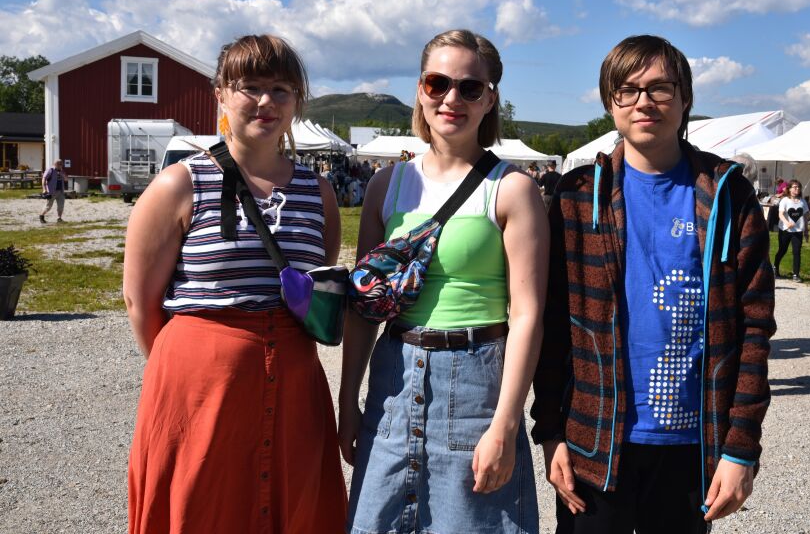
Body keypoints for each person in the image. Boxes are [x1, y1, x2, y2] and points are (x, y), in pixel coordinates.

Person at [531, 35, 776, 533]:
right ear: (610, 102)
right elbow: (555, 326)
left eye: (660, 88)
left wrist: (741, 448)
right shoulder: (577, 197)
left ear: (685, 99)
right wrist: (550, 430)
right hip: (595, 440)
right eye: (628, 89)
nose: (644, 101)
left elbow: (754, 331)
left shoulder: (727, 194)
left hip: (693, 445)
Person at [123, 34, 347, 533]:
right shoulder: (179, 184)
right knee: (202, 505)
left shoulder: (319, 192)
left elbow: (313, 288)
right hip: (198, 387)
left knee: (294, 508)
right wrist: (192, 374)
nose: (266, 101)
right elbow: (141, 304)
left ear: (297, 101)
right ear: (221, 93)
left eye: (281, 89)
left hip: (294, 385)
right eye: (250, 86)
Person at [340, 29, 546, 534]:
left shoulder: (513, 189)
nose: (451, 98)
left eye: (470, 88)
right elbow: (366, 305)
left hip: (476, 386)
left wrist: (506, 423)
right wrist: (347, 402)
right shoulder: (386, 185)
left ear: (489, 98)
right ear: (420, 90)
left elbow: (527, 315)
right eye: (438, 83)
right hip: (395, 377)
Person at [773, 179, 809, 282]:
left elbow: (806, 216)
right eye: (795, 187)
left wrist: (806, 230)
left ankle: (796, 275)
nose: (797, 189)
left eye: (798, 187)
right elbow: (780, 214)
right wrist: (786, 223)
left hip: (798, 231)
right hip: (785, 230)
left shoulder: (803, 201)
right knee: (782, 250)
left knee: (797, 252)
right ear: (789, 189)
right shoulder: (785, 200)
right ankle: (775, 267)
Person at [40, 159, 67, 223]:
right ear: (56, 164)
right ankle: (41, 216)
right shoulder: (50, 170)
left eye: (61, 164)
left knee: (61, 206)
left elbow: (66, 179)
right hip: (52, 191)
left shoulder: (61, 171)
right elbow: (44, 178)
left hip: (61, 191)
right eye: (60, 164)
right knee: (48, 206)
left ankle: (59, 218)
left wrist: (62, 175)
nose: (61, 166)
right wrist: (44, 189)